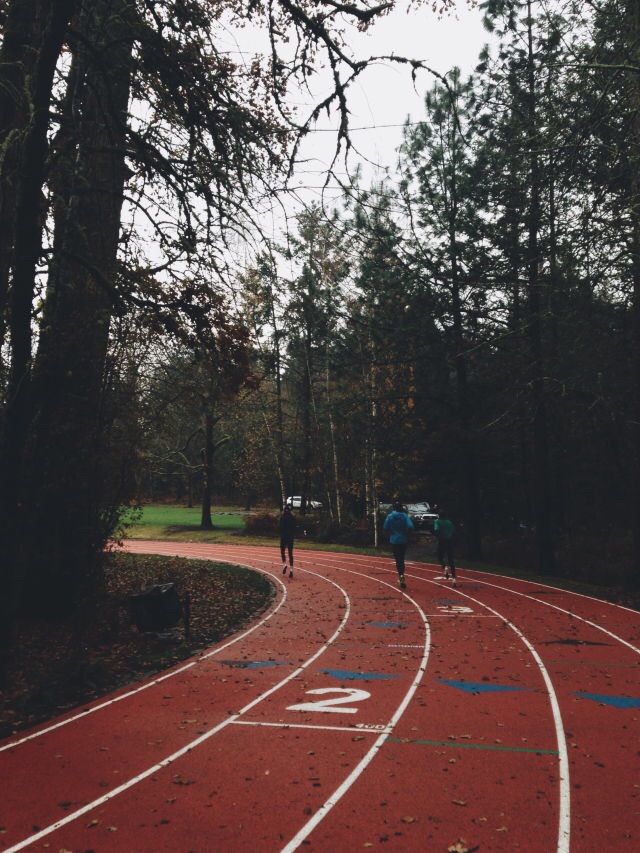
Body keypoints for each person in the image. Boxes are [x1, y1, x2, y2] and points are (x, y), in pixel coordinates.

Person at [383, 501, 414, 589]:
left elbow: (385, 527)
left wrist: (390, 533)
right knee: (402, 559)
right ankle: (401, 575)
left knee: (397, 559)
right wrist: (407, 533)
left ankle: (400, 575)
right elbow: (411, 526)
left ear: (394, 507)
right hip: (403, 540)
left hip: (394, 540)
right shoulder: (404, 516)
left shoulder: (390, 516)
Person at [434, 509, 457, 587]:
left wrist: (438, 536)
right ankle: (454, 579)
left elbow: (436, 530)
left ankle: (445, 567)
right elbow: (453, 531)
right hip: (450, 541)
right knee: (451, 560)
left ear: (439, 516)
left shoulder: (437, 521)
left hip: (442, 541)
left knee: (440, 556)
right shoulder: (449, 522)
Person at [279, 504, 296, 578]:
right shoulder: (292, 518)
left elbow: (280, 527)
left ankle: (284, 564)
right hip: (290, 537)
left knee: (282, 551)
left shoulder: (282, 517)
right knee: (290, 553)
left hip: (283, 537)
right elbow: (295, 527)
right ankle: (291, 570)